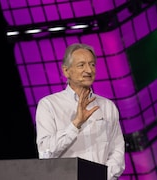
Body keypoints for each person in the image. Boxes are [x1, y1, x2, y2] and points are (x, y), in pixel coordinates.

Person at [35, 43, 125, 180]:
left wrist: (100, 177)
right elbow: (45, 153)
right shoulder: (49, 105)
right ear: (66, 71)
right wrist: (76, 123)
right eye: (81, 65)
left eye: (92, 64)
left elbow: (117, 152)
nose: (89, 70)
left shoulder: (107, 106)